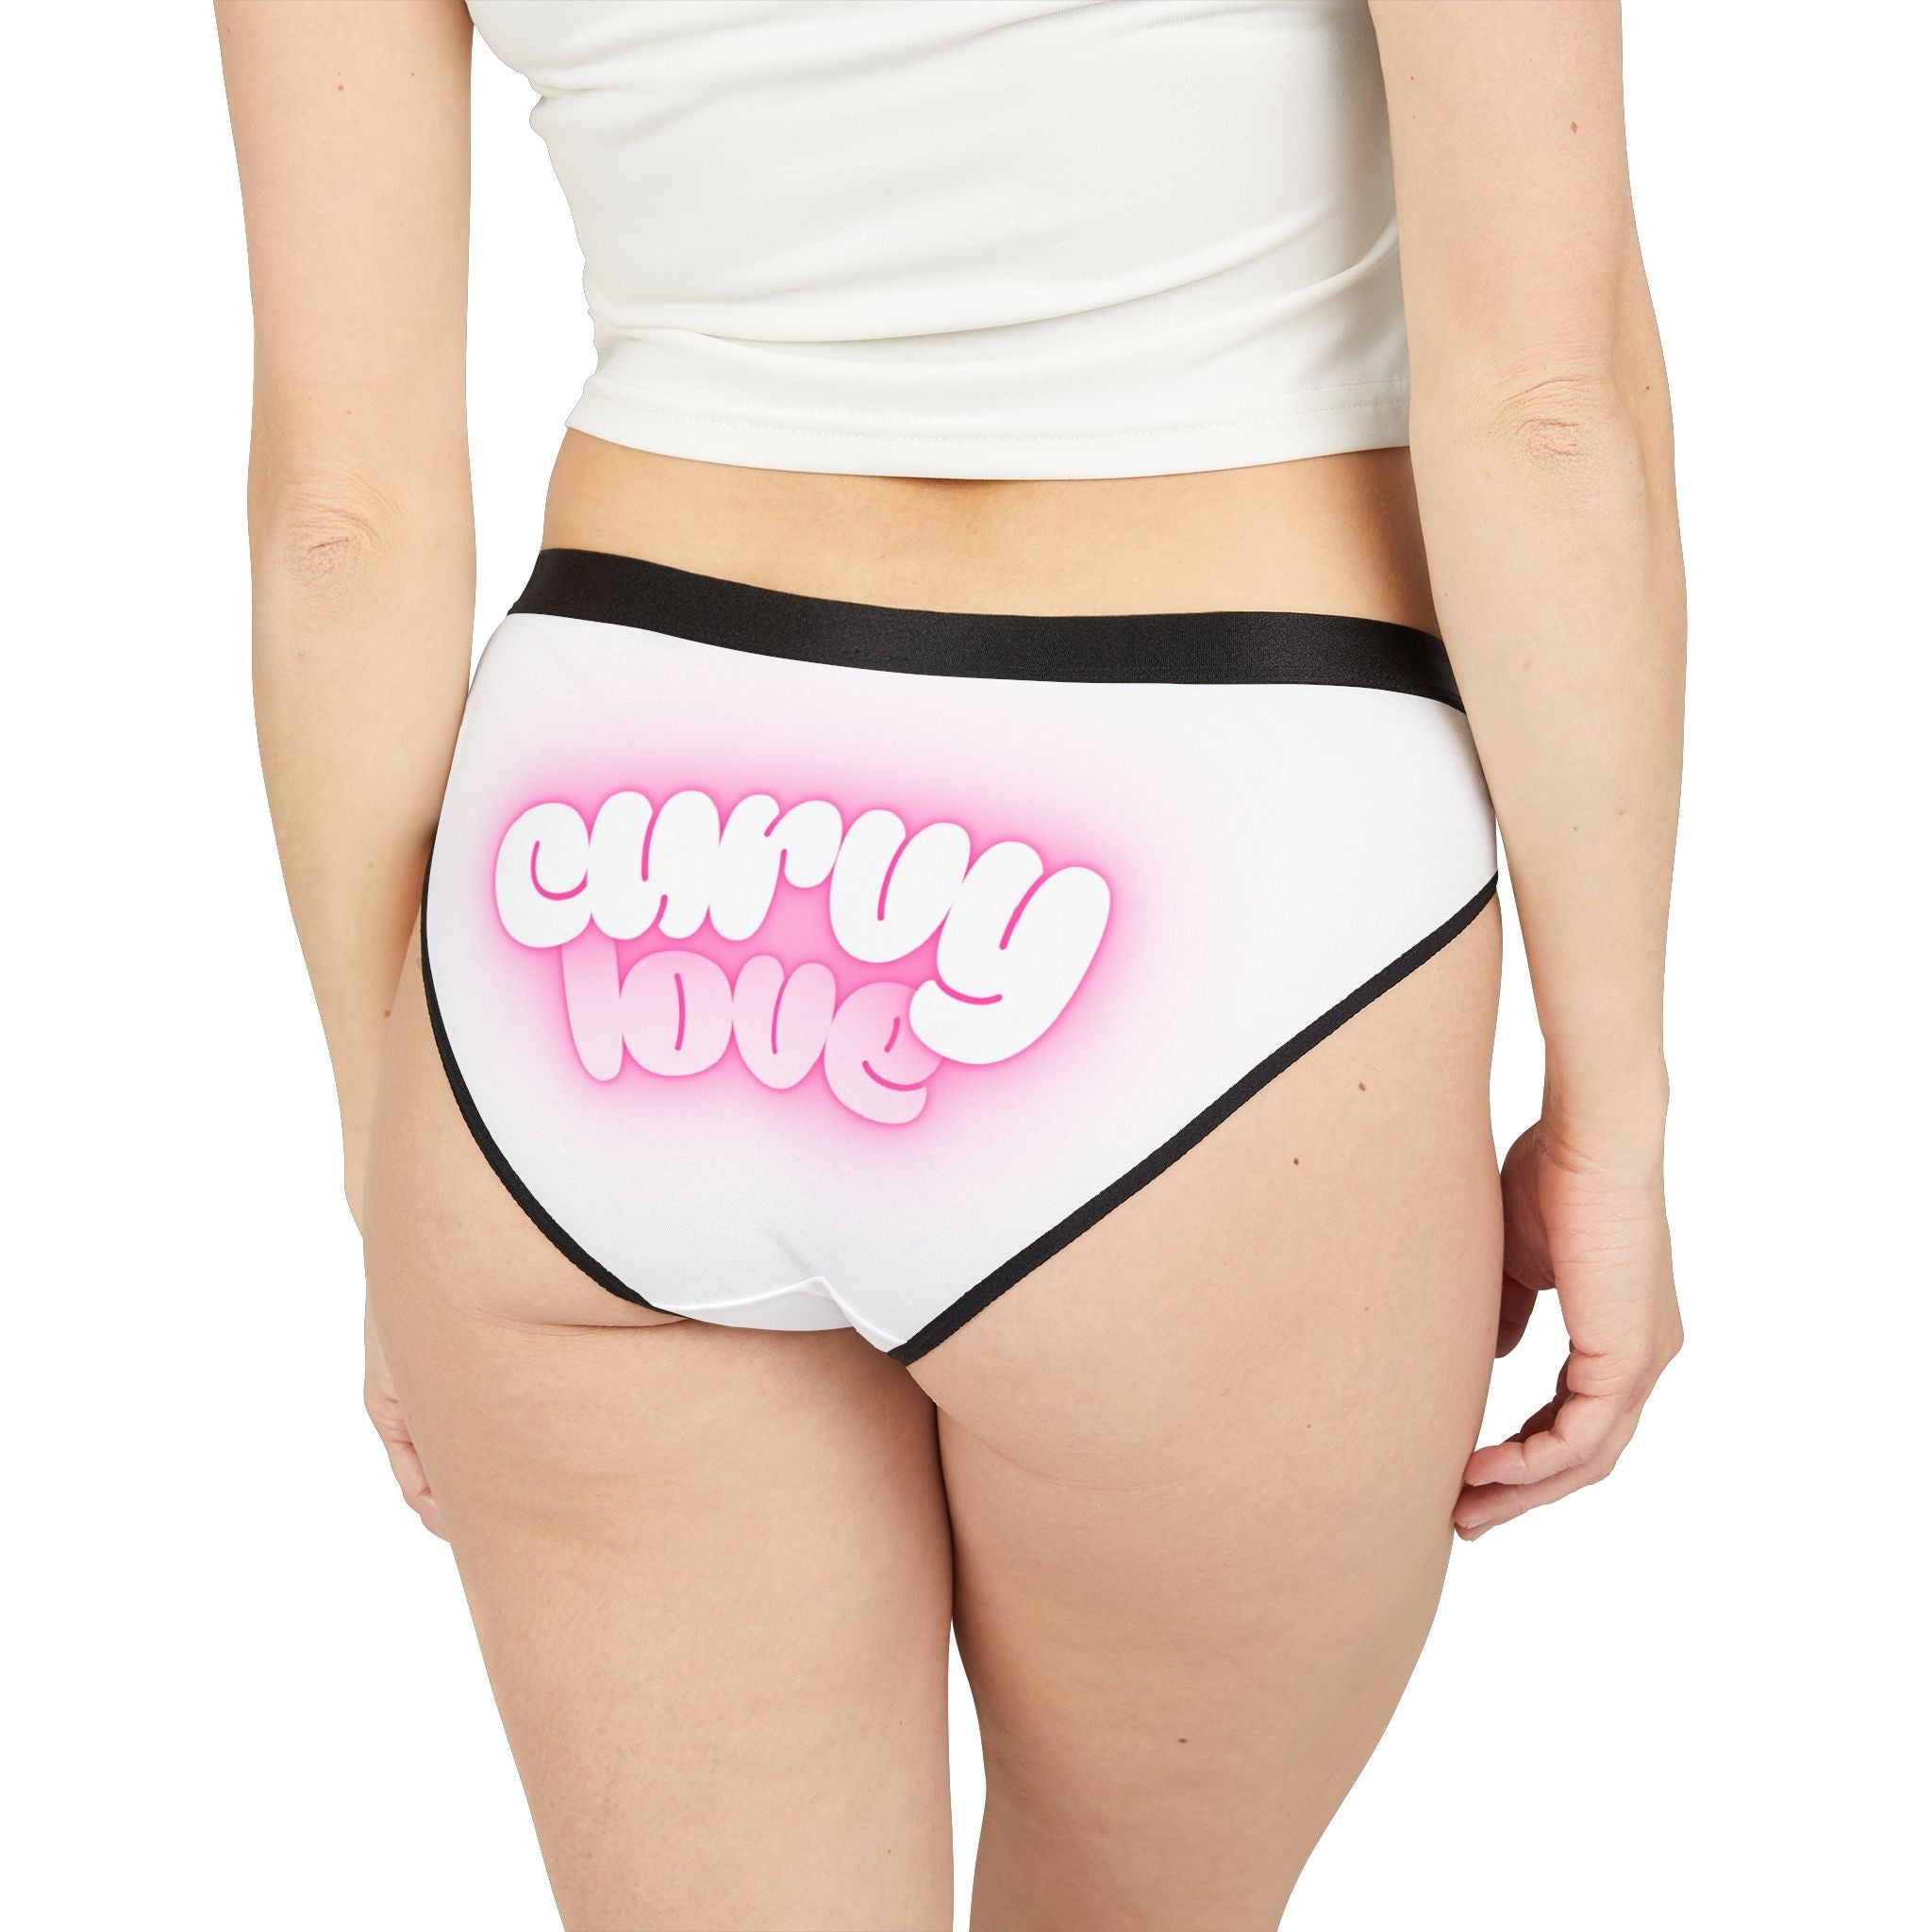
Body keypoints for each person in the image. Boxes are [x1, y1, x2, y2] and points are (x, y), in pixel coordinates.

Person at [217, 2, 1684, 1925]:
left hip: (597, 904)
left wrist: (397, 1149)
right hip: (1205, 881)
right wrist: (1609, 1111)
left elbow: (341, 522)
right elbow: (1546, 412)